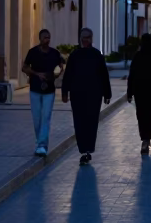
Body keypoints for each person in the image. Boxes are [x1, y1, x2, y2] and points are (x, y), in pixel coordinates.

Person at [61, 28, 112, 165]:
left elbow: (104, 75)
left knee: (91, 122)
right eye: (83, 37)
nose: (85, 40)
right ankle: (83, 149)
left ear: (91, 38)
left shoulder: (97, 55)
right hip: (77, 94)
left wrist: (107, 93)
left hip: (94, 95)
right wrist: (65, 92)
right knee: (79, 122)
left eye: (88, 37)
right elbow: (68, 74)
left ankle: (88, 149)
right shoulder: (75, 55)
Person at [22, 29, 65, 156]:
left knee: (46, 117)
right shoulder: (33, 52)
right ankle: (39, 140)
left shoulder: (54, 53)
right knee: (37, 118)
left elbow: (61, 66)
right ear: (40, 39)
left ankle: (42, 145)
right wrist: (36, 74)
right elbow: (24, 67)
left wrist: (57, 73)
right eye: (45, 37)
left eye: (49, 37)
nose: (47, 39)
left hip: (49, 90)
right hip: (35, 89)